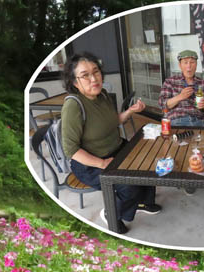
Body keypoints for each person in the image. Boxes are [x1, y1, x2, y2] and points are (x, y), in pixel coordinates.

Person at [61, 52, 161, 235]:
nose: (93, 78)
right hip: (89, 163)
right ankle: (112, 214)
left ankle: (143, 201)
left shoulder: (103, 95)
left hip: (116, 147)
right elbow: (70, 149)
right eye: (85, 75)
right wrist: (101, 163)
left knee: (146, 164)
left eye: (96, 71)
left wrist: (131, 110)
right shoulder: (73, 105)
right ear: (74, 82)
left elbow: (112, 121)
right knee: (127, 185)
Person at [158, 49, 204, 127]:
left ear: (196, 65)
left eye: (192, 62)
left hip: (198, 122)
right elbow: (162, 104)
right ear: (180, 65)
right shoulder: (170, 81)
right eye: (185, 62)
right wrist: (180, 97)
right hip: (177, 121)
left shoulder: (203, 83)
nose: (189, 66)